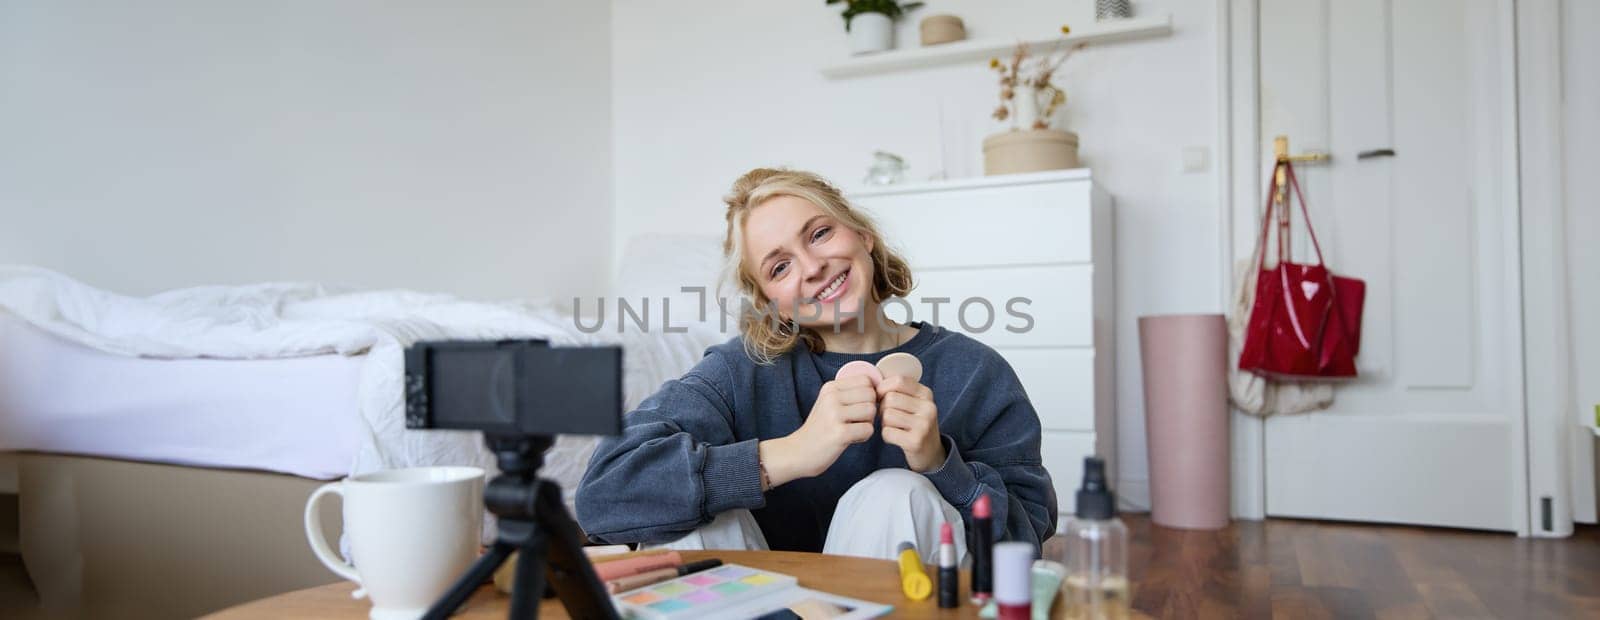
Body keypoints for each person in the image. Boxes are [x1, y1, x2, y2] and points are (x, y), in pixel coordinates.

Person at [576, 168, 1055, 560]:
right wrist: (792, 453)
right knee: (691, 515)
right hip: (767, 603)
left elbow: (1026, 542)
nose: (811, 267)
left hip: (910, 602)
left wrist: (939, 465)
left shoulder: (974, 371)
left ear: (864, 236)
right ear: (773, 302)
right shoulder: (739, 372)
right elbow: (603, 491)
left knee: (896, 493)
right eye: (779, 267)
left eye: (820, 234)